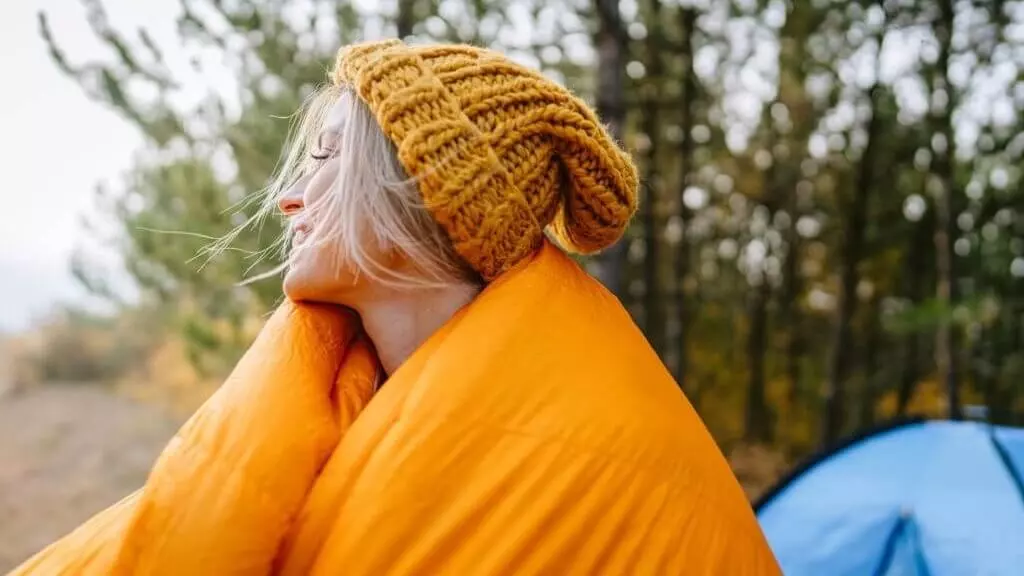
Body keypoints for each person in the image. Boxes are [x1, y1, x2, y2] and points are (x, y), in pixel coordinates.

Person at [12, 39, 781, 575]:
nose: (290, 200)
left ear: (424, 194)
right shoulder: (345, 398)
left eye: (328, 161)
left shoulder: (597, 442)